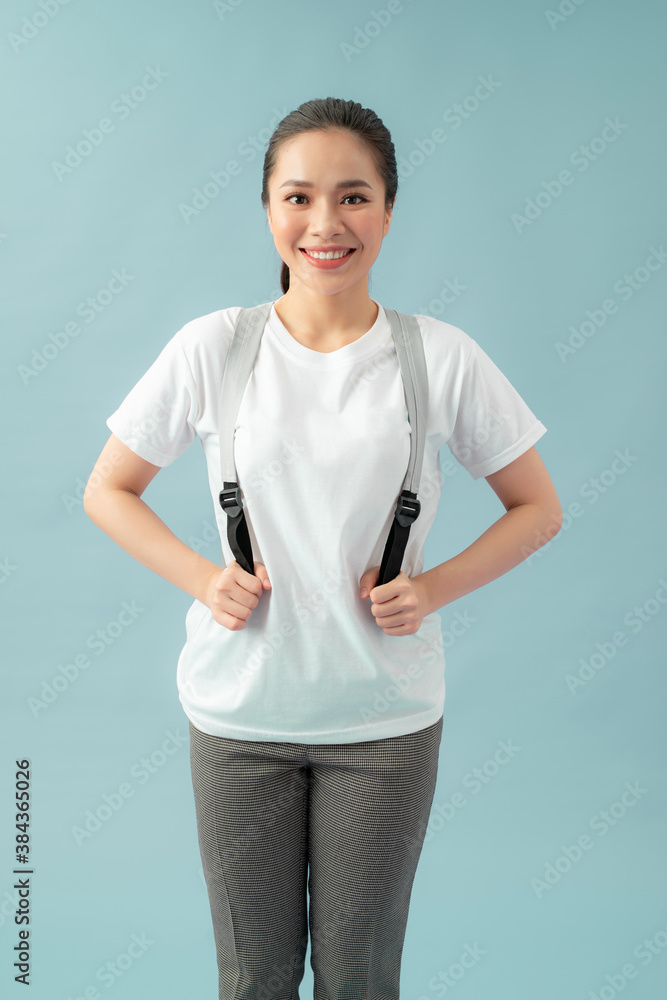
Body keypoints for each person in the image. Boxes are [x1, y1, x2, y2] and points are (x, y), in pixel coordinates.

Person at [83, 97, 562, 999]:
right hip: (238, 718)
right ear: (268, 210)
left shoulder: (440, 357)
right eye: (298, 197)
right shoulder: (212, 347)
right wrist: (201, 577)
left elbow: (536, 507)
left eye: (353, 197)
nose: (325, 224)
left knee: (359, 977)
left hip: (382, 723)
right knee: (255, 974)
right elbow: (106, 489)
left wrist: (433, 589)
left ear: (387, 212)